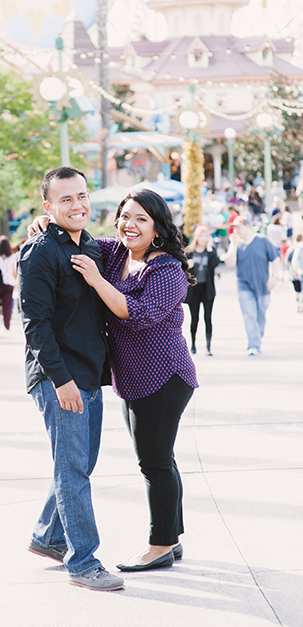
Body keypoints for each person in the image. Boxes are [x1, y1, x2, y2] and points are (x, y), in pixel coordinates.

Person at [67, 189, 198, 572]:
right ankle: (171, 539)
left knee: (154, 462)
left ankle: (159, 545)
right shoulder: (116, 253)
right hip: (133, 378)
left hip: (165, 376)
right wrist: (43, 223)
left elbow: (138, 315)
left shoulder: (166, 269)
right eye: (125, 216)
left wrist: (96, 281)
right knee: (160, 460)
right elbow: (80, 237)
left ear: (157, 227)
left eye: (141, 218)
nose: (130, 225)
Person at [18, 166, 122, 591]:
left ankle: (48, 537)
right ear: (48, 207)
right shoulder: (39, 251)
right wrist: (61, 381)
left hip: (89, 373)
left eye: (81, 196)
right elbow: (35, 324)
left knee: (77, 465)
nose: (77, 205)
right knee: (74, 470)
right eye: (65, 200)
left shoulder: (93, 248)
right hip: (59, 377)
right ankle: (83, 562)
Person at [224, 217, 280, 356]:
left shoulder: (262, 241)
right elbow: (229, 263)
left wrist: (274, 277)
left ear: (247, 226)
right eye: (234, 228)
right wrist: (233, 244)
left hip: (263, 286)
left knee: (260, 316)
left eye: (239, 227)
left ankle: (257, 337)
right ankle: (253, 344)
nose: (236, 230)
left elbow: (276, 259)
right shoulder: (237, 245)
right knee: (249, 315)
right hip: (244, 286)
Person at [184, 225, 222, 356]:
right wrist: (188, 265)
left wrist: (211, 248)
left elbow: (214, 264)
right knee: (194, 318)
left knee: (207, 317)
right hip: (194, 290)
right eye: (201, 235)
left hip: (207, 289)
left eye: (206, 236)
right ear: (196, 237)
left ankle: (208, 346)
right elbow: (182, 267)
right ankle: (193, 344)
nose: (203, 238)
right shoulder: (189, 251)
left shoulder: (210, 252)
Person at [287, 234, 303, 312]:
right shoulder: (299, 247)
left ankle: (299, 303)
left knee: (298, 290)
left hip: (297, 272)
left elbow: (289, 261)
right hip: (299, 271)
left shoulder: (293, 248)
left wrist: (294, 270)